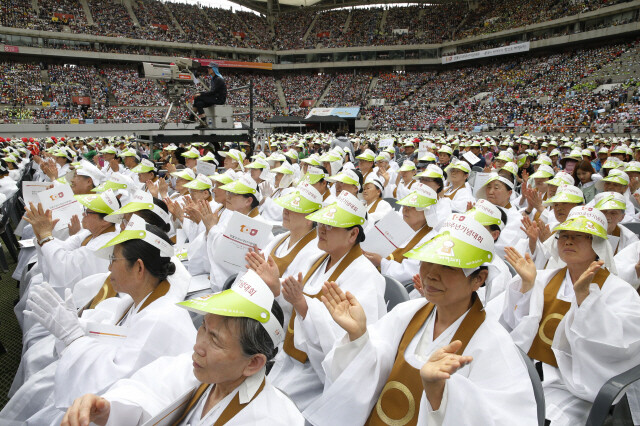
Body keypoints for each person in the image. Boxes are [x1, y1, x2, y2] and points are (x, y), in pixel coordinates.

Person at [303, 214, 537, 425]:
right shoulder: (407, 313)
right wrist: (357, 337)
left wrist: (442, 393)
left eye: (448, 266)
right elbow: (364, 372)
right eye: (428, 261)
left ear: (478, 279)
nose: (432, 274)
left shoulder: (493, 344)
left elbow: (507, 418)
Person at [1, 216, 196, 424]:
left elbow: (113, 379)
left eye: (114, 260)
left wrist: (74, 337)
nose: (109, 268)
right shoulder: (142, 298)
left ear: (139, 268)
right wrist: (76, 325)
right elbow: (114, 334)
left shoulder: (161, 319)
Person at [61, 270, 304, 425]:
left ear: (253, 363)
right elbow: (147, 390)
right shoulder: (206, 371)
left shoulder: (272, 419)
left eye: (216, 340)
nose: (199, 345)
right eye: (203, 327)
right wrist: (107, 410)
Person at [502, 206, 640, 426]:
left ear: (597, 244)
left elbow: (620, 348)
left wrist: (586, 301)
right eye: (563, 235)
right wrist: (526, 287)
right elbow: (514, 328)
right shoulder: (542, 278)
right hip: (527, 373)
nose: (568, 241)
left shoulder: (620, 291)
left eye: (578, 236)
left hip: (573, 387)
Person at [266, 190, 386, 411]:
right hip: (292, 358)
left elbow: (354, 344)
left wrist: (303, 306)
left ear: (353, 235)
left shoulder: (367, 277)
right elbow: (292, 299)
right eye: (321, 222)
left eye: (331, 225)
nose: (321, 229)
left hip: (319, 374)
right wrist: (276, 286)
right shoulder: (318, 260)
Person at [185, 63, 227, 128]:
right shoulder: (214, 79)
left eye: (210, 68)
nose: (208, 69)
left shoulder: (218, 79)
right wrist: (201, 93)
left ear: (214, 69)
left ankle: (192, 117)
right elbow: (211, 92)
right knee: (199, 103)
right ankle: (203, 122)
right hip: (215, 98)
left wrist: (201, 94)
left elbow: (213, 92)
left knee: (198, 98)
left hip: (219, 100)